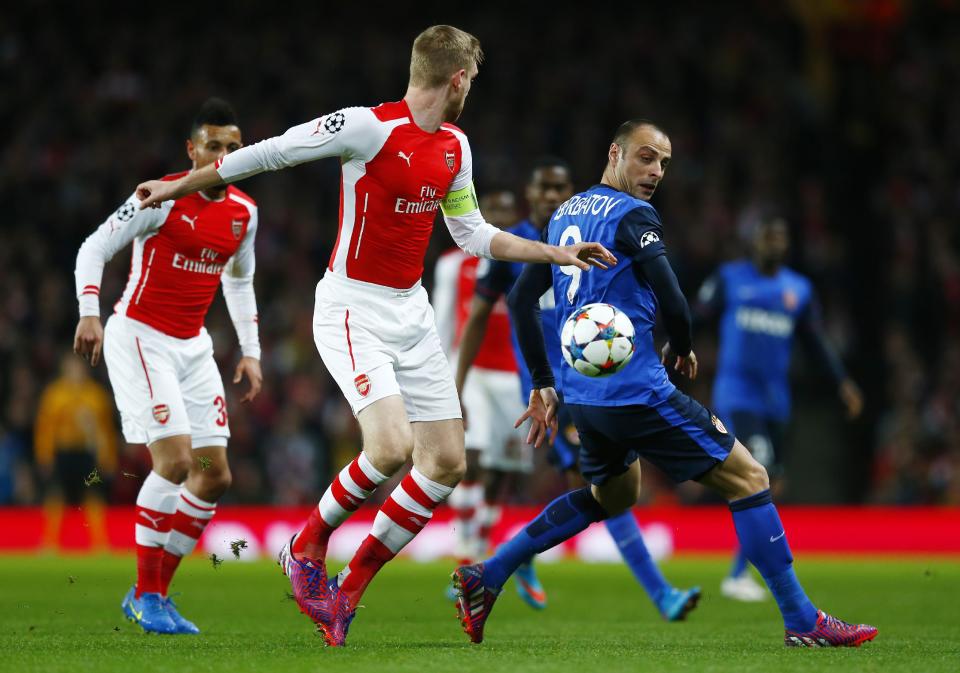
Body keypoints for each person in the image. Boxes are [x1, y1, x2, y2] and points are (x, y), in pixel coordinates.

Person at [134, 25, 614, 647]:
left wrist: (554, 252)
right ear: (458, 79)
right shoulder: (367, 127)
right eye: (472, 81)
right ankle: (308, 543)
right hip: (351, 307)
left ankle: (349, 590)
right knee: (388, 448)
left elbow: (472, 233)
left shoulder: (456, 147)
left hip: (409, 314)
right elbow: (271, 152)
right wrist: (176, 185)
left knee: (444, 463)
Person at [453, 119, 878, 648]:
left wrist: (544, 382)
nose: (655, 171)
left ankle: (487, 574)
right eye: (646, 157)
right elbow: (673, 297)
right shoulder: (633, 215)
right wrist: (680, 343)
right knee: (750, 478)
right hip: (637, 391)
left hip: (584, 397)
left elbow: (519, 300)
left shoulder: (563, 214)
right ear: (615, 154)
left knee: (610, 494)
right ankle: (802, 620)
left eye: (664, 163)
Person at [453, 159, 699, 618]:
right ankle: (655, 592)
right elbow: (485, 315)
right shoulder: (516, 247)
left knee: (601, 491)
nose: (552, 196)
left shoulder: (595, 234)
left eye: (560, 187)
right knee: (600, 491)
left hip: (590, 384)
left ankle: (507, 562)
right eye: (544, 187)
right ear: (531, 193)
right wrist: (460, 384)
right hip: (550, 389)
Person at [74, 98, 262, 635]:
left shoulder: (244, 213)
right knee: (176, 461)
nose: (224, 154)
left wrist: (251, 351)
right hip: (139, 337)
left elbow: (240, 281)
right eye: (213, 146)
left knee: (214, 475)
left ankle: (150, 592)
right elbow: (94, 248)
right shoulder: (158, 197)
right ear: (192, 149)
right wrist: (89, 312)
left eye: (233, 146)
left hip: (192, 347)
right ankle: (149, 595)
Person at [696, 216, 864, 602]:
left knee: (774, 483)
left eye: (780, 236)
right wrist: (676, 346)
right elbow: (696, 316)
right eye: (768, 235)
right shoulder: (729, 278)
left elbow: (816, 342)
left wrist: (842, 383)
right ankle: (738, 575)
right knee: (760, 471)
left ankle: (740, 570)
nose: (774, 242)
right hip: (738, 396)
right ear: (754, 241)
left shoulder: (798, 290)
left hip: (776, 401)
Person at [433, 189, 530, 575]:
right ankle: (464, 549)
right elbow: (441, 322)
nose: (501, 216)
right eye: (494, 210)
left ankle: (481, 542)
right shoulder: (453, 264)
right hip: (469, 369)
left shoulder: (526, 261)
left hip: (513, 376)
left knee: (501, 468)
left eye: (508, 209)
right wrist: (442, 380)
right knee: (469, 456)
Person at [34, 352, 118, 552]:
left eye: (78, 368)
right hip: (63, 452)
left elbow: (105, 430)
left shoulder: (96, 396)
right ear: (64, 370)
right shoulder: (55, 394)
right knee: (56, 494)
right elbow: (45, 427)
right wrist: (44, 455)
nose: (76, 372)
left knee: (94, 495)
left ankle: (100, 543)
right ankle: (49, 542)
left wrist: (108, 456)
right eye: (71, 368)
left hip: (88, 454)